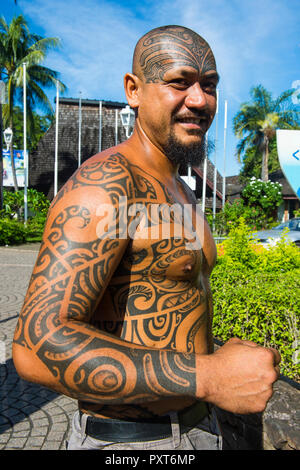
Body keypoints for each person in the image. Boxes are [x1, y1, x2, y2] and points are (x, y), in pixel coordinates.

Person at [12, 25, 281, 451]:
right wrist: (210, 377)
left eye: (209, 85)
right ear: (133, 90)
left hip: (198, 426)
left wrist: (222, 361)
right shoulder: (108, 184)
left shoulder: (180, 187)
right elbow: (37, 342)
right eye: (179, 82)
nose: (199, 100)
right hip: (135, 444)